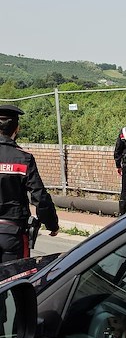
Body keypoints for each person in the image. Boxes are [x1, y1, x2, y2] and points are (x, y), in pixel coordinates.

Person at [0, 104, 59, 263]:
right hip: (13, 233)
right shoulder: (23, 158)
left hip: (13, 232)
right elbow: (40, 197)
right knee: (15, 279)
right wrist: (52, 224)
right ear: (16, 129)